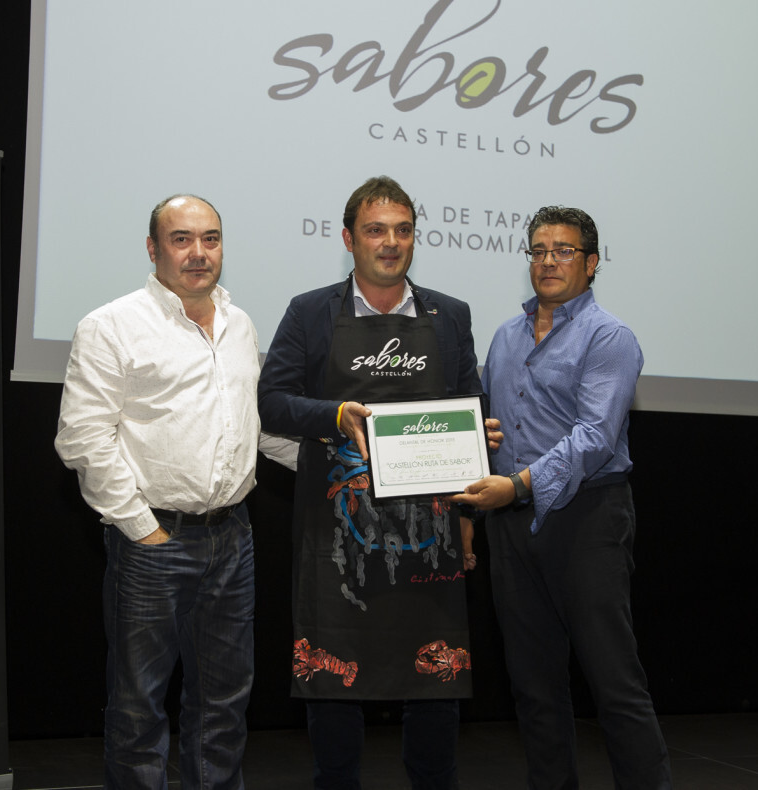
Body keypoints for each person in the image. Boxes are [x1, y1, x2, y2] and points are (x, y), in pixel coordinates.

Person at [258, 176, 499, 789]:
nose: (390, 242)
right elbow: (271, 401)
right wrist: (334, 414)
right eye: (375, 230)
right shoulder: (310, 312)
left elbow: (470, 404)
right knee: (333, 679)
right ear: (349, 239)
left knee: (436, 678)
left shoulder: (450, 315)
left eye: (403, 230)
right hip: (338, 533)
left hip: (431, 531)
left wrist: (474, 471)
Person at [55, 194, 295, 790]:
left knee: (224, 705)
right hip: (153, 545)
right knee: (138, 709)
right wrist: (143, 529)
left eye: (210, 239)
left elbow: (256, 426)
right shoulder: (111, 325)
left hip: (233, 539)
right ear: (153, 248)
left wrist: (349, 456)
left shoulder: (240, 325)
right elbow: (83, 439)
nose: (198, 253)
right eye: (181, 239)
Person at [453, 206, 673, 789]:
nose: (548, 261)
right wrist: (472, 504)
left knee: (614, 683)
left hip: (586, 519)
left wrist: (518, 484)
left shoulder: (609, 337)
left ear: (591, 263)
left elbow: (595, 437)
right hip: (510, 525)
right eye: (539, 251)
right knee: (534, 687)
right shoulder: (505, 336)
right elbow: (487, 433)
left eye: (564, 251)